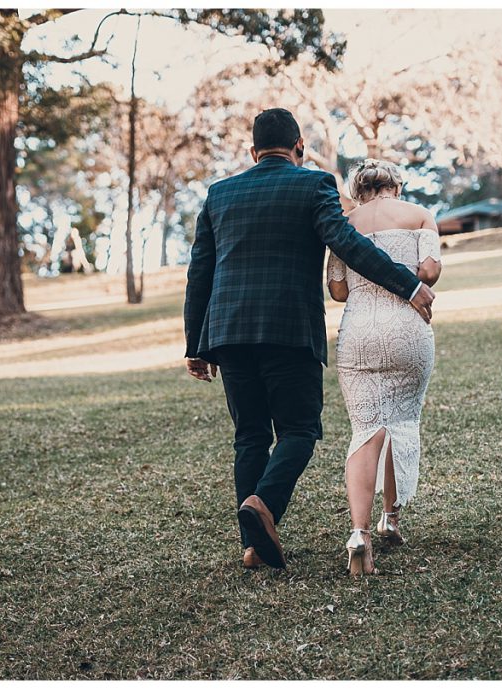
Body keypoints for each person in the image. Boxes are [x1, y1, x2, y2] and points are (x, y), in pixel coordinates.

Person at [183, 108, 435, 569]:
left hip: (228, 332)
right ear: (299, 146)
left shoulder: (219, 194)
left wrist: (194, 345)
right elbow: (349, 245)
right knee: (299, 430)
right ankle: (265, 508)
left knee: (250, 436)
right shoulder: (312, 184)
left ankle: (254, 546)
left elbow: (200, 270)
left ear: (252, 151)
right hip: (288, 330)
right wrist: (409, 284)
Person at [327, 158, 442, 577]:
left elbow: (337, 288)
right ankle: (391, 518)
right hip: (408, 328)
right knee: (401, 421)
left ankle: (359, 533)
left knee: (366, 427)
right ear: (396, 185)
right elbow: (429, 270)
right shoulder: (419, 215)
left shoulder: (345, 224)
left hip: (358, 331)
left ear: (359, 189)